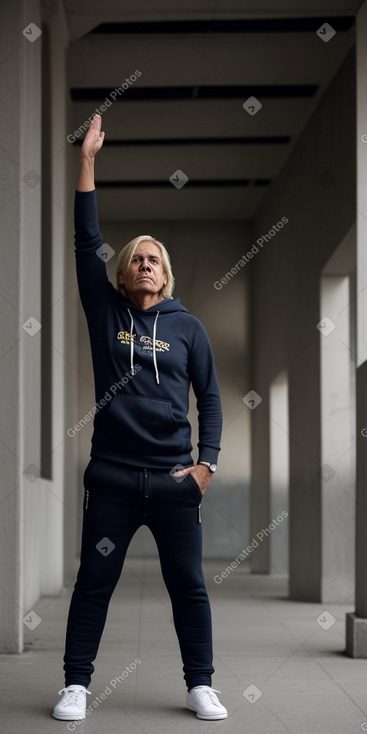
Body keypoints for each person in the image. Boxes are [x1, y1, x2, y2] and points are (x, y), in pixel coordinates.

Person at [52, 114, 227, 722]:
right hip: (114, 481)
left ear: (166, 272)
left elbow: (209, 398)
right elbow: (84, 237)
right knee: (94, 584)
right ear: (123, 274)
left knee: (190, 589)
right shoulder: (106, 312)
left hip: (176, 484)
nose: (145, 264)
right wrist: (88, 160)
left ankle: (200, 684)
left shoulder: (189, 329)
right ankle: (76, 685)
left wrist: (205, 465)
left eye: (154, 259)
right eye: (136, 259)